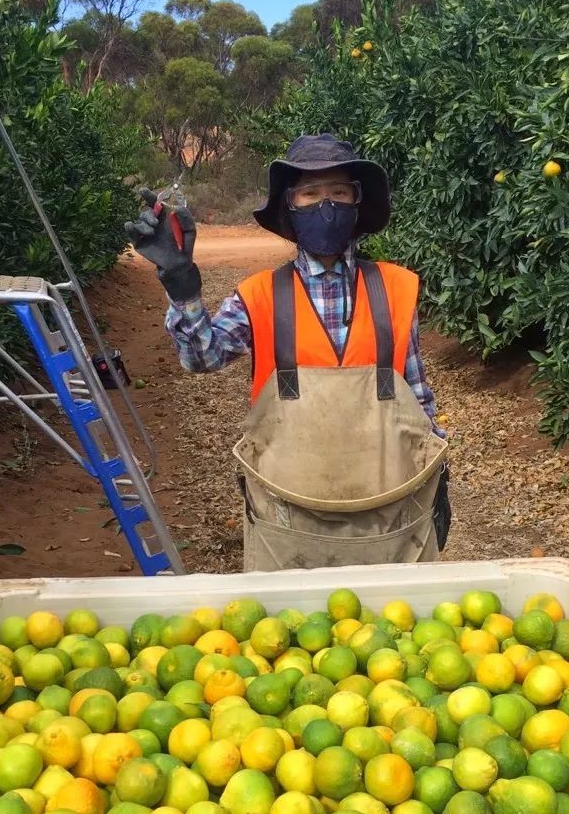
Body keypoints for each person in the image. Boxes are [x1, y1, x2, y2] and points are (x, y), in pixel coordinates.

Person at [126, 133, 450, 572]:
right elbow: (202, 356)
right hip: (288, 516)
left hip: (389, 506)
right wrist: (181, 282)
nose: (326, 205)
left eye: (339, 192)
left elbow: (414, 391)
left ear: (357, 206)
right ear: (290, 210)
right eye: (310, 194)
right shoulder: (261, 295)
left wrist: (438, 472)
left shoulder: (396, 287)